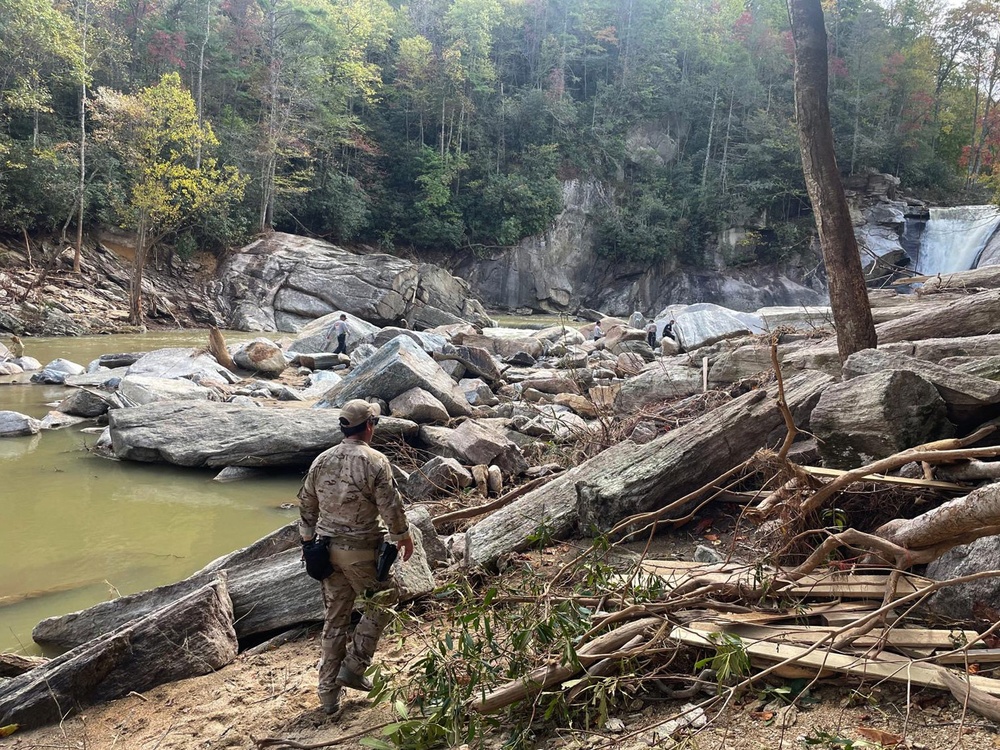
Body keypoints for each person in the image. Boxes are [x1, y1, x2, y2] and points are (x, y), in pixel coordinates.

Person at [298, 399, 415, 716]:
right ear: (369, 426)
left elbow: (306, 504)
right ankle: (355, 664)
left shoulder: (321, 460)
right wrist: (402, 536)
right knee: (385, 600)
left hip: (325, 550)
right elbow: (390, 505)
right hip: (361, 550)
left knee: (334, 620)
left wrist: (308, 543)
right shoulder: (376, 461)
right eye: (374, 423)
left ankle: (328, 697)